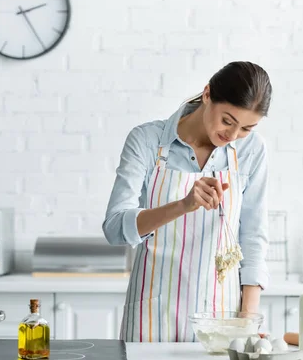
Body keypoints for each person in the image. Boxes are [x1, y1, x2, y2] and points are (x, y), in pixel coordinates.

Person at [102, 61, 273, 343]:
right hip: (151, 315)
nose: (232, 135)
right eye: (227, 121)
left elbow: (253, 236)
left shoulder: (252, 151)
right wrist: (182, 205)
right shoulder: (147, 141)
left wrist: (247, 321)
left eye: (246, 128)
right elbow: (114, 228)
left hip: (222, 319)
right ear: (207, 94)